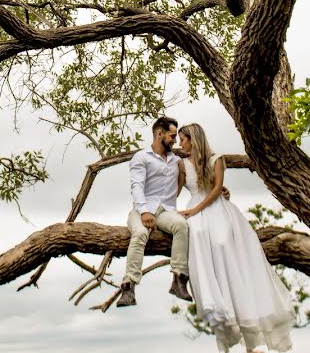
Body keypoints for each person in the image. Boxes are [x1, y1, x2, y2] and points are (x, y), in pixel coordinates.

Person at [177, 123, 295, 352]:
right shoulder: (182, 164)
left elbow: (217, 188)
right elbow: (175, 189)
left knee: (222, 241)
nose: (180, 144)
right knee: (198, 234)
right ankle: (217, 301)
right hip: (194, 208)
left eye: (183, 139)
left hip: (215, 206)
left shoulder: (216, 159)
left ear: (193, 139)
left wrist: (197, 209)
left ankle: (244, 313)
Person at [116, 116, 192, 307]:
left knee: (182, 226)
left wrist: (219, 189)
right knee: (140, 233)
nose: (175, 140)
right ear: (160, 134)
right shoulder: (142, 157)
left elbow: (191, 178)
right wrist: (144, 212)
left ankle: (179, 279)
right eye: (172, 136)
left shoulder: (176, 160)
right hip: (143, 209)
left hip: (166, 211)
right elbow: (136, 186)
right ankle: (128, 287)